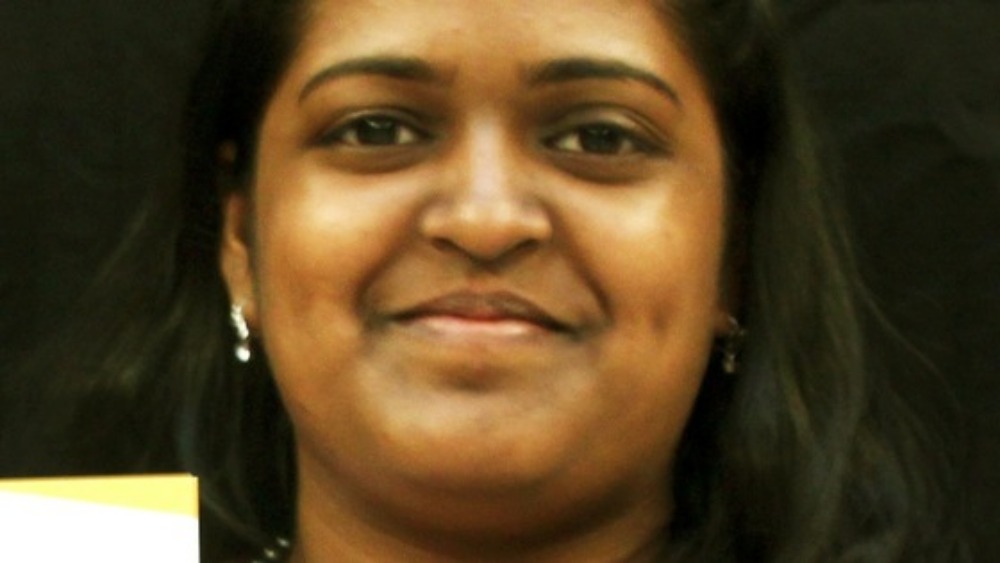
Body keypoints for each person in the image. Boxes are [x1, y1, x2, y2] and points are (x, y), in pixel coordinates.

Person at [0, 0, 965, 561]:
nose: (485, 219)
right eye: (377, 129)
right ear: (242, 239)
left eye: (600, 138)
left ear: (734, 258)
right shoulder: (61, 546)